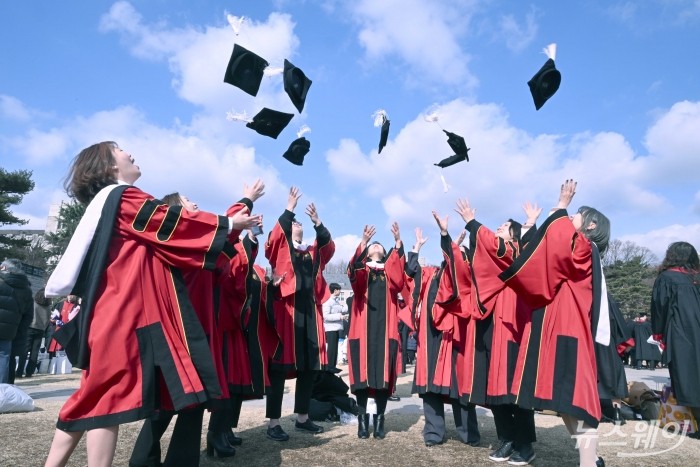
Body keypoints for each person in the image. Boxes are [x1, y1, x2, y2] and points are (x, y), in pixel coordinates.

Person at [43, 141, 261, 467]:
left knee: (101, 401)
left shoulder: (112, 203)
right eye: (119, 150)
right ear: (108, 166)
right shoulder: (123, 197)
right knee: (98, 399)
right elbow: (171, 225)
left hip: (116, 313)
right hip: (118, 313)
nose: (129, 152)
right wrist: (231, 223)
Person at [498, 180, 610, 467]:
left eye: (578, 214)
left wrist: (561, 205)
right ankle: (593, 459)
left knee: (578, 401)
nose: (572, 216)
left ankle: (588, 463)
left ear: (592, 226)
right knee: (564, 403)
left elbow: (559, 246)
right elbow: (548, 255)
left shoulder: (584, 247)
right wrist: (535, 225)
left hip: (569, 330)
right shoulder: (579, 247)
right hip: (559, 326)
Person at [455, 200, 540, 465]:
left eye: (503, 227)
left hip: (513, 324)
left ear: (514, 234)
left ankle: (524, 444)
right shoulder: (494, 254)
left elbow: (495, 246)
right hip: (491, 321)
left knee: (515, 389)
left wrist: (472, 222)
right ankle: (506, 439)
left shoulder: (517, 250)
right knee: (495, 387)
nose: (498, 229)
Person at [264, 186, 336, 441]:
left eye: (298, 222)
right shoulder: (282, 248)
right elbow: (273, 240)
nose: (297, 223)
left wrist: (318, 223)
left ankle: (302, 418)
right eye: (294, 223)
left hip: (310, 313)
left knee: (308, 368)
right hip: (288, 311)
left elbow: (328, 248)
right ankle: (273, 423)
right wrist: (289, 209)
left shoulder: (312, 252)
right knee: (280, 368)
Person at [409, 216, 481, 448]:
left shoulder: (466, 273)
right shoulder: (430, 273)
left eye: (461, 254)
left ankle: (469, 434)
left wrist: (446, 237)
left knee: (460, 386)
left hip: (455, 335)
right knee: (430, 387)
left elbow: (456, 270)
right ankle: (433, 433)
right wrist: (416, 248)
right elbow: (410, 272)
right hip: (429, 337)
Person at [347, 222, 405, 440]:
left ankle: (380, 419)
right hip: (362, 329)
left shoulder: (390, 271)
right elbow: (355, 276)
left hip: (385, 329)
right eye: (373, 245)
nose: (376, 246)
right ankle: (363, 420)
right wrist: (363, 242)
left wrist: (398, 242)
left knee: (382, 377)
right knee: (362, 377)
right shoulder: (364, 268)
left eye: (379, 245)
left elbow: (399, 280)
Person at [650, 241, 700, 436]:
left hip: (682, 333)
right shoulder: (696, 277)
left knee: (687, 377)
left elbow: (660, 307)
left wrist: (659, 334)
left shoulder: (667, 278)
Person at [0, 258, 33, 384]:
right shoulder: (26, 289)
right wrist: (18, 331)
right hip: (10, 331)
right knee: (4, 358)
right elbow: (28, 316)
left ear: (5, 268)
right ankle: (3, 391)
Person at [20, 288, 53, 377]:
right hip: (41, 330)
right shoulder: (48, 308)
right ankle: (29, 372)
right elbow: (48, 321)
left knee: (25, 351)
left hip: (30, 327)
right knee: (35, 352)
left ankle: (19, 371)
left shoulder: (33, 304)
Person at [322, 282, 347, 373]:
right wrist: (339, 316)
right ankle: (329, 367)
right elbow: (326, 316)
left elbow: (342, 309)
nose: (340, 291)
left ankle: (333, 366)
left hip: (336, 328)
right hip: (330, 328)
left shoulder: (336, 301)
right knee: (331, 348)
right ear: (335, 290)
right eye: (339, 289)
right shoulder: (328, 302)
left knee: (335, 348)